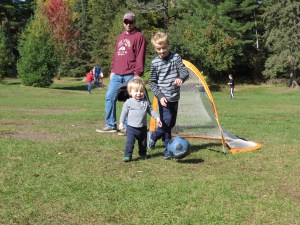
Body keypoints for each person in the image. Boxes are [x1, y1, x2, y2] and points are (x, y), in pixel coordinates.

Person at [96, 12, 146, 136]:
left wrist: (137, 74)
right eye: (126, 22)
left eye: (131, 22)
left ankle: (129, 127)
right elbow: (116, 55)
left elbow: (140, 56)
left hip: (130, 74)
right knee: (109, 97)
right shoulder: (121, 36)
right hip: (117, 74)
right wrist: (112, 70)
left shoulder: (139, 36)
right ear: (123, 23)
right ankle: (110, 125)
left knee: (130, 100)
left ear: (134, 22)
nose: (128, 24)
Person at [147, 31, 189, 160]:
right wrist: (160, 96)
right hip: (163, 98)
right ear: (155, 48)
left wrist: (181, 78)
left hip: (174, 97)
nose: (162, 51)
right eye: (158, 49)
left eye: (164, 48)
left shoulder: (176, 57)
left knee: (170, 123)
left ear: (168, 45)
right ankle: (159, 141)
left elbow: (184, 71)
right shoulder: (155, 63)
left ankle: (162, 143)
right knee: (166, 122)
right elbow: (152, 83)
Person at [119, 78, 162, 162]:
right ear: (130, 92)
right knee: (130, 142)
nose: (139, 93)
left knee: (143, 143)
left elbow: (151, 111)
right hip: (131, 127)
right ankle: (128, 155)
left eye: (141, 91)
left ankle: (142, 154)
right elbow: (123, 113)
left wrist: (157, 118)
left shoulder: (145, 102)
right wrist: (121, 122)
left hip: (142, 127)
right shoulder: (128, 102)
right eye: (136, 91)